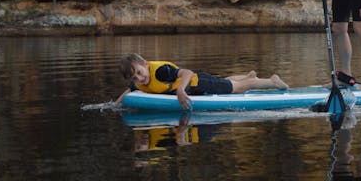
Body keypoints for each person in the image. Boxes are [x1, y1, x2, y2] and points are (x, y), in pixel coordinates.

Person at [114, 52, 289, 110]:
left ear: (145, 64)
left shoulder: (160, 72)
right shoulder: (138, 82)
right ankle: (247, 76)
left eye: (139, 72)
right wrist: (116, 104)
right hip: (199, 86)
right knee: (224, 82)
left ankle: (271, 81)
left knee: (239, 89)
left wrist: (181, 91)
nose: (139, 78)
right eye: (135, 77)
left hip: (198, 84)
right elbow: (129, 90)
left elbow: (187, 73)